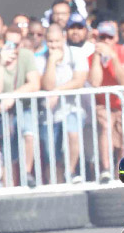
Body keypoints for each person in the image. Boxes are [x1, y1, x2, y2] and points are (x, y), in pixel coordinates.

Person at [37, 24, 89, 183]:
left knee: (73, 134)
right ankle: (57, 182)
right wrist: (51, 62)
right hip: (49, 114)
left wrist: (57, 92)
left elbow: (79, 81)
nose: (53, 45)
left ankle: (71, 172)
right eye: (50, 41)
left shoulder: (77, 54)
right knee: (50, 151)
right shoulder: (40, 59)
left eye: (57, 41)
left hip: (72, 107)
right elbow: (46, 85)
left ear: (64, 38)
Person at [0, 28, 41, 186]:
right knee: (7, 149)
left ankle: (26, 173)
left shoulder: (26, 55)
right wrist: (0, 65)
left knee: (28, 132)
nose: (12, 48)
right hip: (1, 112)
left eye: (16, 44)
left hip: (23, 107)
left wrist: (13, 95)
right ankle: (8, 186)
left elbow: (34, 83)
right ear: (1, 43)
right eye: (8, 43)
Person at [88, 20, 124, 182]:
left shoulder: (123, 52)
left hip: (121, 105)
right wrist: (96, 57)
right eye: (103, 37)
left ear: (115, 38)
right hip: (103, 105)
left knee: (123, 136)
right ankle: (106, 169)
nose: (106, 40)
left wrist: (113, 57)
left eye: (110, 37)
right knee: (106, 125)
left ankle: (119, 172)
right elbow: (94, 82)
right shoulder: (91, 56)